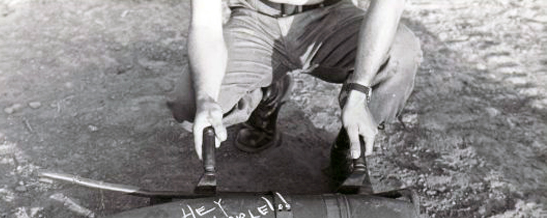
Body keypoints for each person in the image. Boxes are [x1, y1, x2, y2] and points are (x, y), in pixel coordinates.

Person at [168, 0, 422, 188]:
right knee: (191, 104)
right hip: (255, 17)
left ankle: (350, 145)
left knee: (400, 53)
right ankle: (266, 94)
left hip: (332, 14)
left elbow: (388, 5)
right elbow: (205, 25)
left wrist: (359, 91)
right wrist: (206, 98)